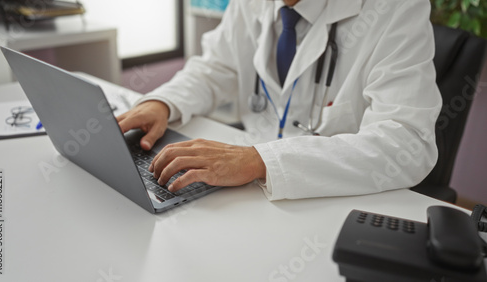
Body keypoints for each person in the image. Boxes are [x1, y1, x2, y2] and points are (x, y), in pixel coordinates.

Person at [117, 0, 442, 201]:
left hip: (333, 198)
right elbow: (217, 67)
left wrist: (261, 160)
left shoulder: (396, 8)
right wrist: (162, 103)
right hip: (249, 192)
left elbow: (407, 142)